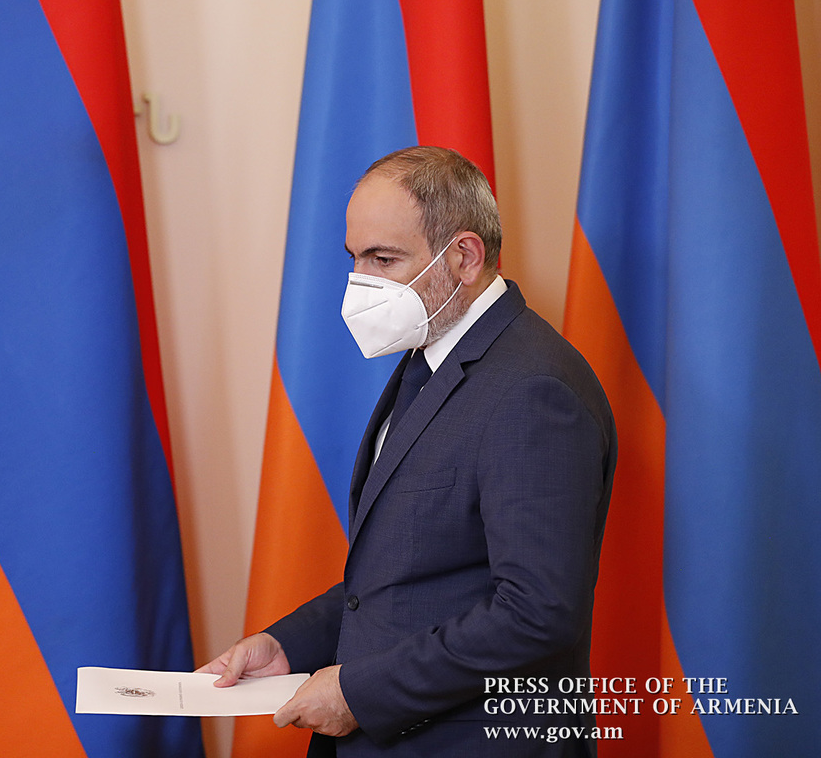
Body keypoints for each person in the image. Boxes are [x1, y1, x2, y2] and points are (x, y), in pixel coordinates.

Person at [200, 146, 617, 756]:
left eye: (383, 259)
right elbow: (407, 577)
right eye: (355, 258)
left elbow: (537, 614)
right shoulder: (432, 355)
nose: (360, 283)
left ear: (465, 257)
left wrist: (359, 693)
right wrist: (290, 646)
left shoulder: (533, 388)